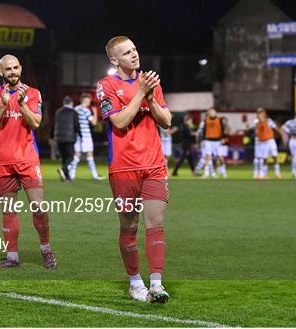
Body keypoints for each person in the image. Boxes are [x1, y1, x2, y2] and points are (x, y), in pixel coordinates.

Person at [97, 36, 171, 303]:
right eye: (126, 52)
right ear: (114, 60)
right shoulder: (105, 86)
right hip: (124, 168)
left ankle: (157, 283)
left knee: (156, 222)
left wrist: (150, 97)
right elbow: (119, 122)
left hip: (154, 164)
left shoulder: (151, 83)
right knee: (129, 226)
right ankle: (135, 282)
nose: (134, 55)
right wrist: (141, 92)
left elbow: (166, 121)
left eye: (135, 49)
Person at [0, 54, 56, 269]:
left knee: (39, 207)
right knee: (8, 210)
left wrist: (22, 104)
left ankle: (46, 249)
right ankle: (12, 256)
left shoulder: (33, 93)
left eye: (16, 68)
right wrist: (4, 106)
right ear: (1, 72)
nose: (13, 72)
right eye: (8, 69)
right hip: (3, 161)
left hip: (27, 159)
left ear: (21, 68)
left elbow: (35, 122)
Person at [68, 93, 104, 180]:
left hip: (77, 135)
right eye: (89, 101)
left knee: (77, 155)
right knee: (90, 155)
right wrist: (95, 112)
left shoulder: (75, 109)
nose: (89, 103)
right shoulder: (86, 110)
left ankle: (70, 174)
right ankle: (95, 175)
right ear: (85, 100)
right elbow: (94, 122)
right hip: (86, 135)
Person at [54, 96, 80, 181]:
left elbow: (54, 125)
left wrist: (52, 136)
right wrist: (80, 134)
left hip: (58, 138)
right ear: (71, 103)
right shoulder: (74, 112)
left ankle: (66, 177)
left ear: (63, 103)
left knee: (64, 158)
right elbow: (76, 125)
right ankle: (63, 169)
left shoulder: (58, 112)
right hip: (69, 138)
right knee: (71, 157)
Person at [197, 107, 224, 178]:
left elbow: (222, 130)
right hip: (208, 140)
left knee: (220, 158)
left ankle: (220, 169)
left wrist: (222, 138)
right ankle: (206, 173)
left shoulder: (219, 120)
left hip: (217, 141)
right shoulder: (206, 120)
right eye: (210, 112)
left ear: (215, 112)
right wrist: (202, 140)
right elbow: (204, 131)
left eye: (213, 111)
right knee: (207, 156)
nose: (212, 113)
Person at [254, 108, 281, 179]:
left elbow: (275, 127)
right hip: (263, 141)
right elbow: (260, 128)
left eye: (262, 112)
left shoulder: (269, 120)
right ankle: (264, 174)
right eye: (259, 113)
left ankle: (277, 173)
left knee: (275, 156)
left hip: (271, 141)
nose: (261, 114)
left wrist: (281, 133)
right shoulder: (257, 121)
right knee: (264, 158)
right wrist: (262, 120)